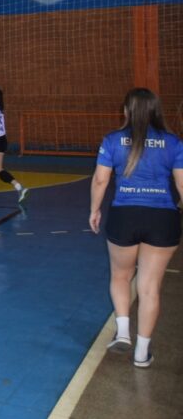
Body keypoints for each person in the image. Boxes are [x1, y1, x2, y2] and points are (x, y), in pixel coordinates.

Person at [90, 88, 183, 368]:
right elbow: (181, 185)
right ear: (156, 111)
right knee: (150, 287)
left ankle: (122, 332)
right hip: (163, 218)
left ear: (126, 111)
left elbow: (100, 181)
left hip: (124, 217)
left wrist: (94, 210)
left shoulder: (113, 140)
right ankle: (142, 354)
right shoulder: (173, 142)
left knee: (121, 276)